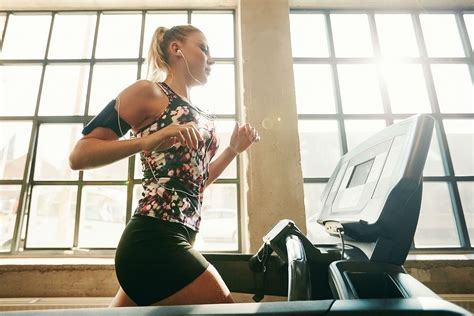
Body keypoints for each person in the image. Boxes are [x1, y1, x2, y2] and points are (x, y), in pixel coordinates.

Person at [69, 25, 260, 307]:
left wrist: (233, 149)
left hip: (180, 236)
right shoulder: (149, 92)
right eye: (204, 48)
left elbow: (197, 183)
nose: (212, 59)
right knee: (225, 311)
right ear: (176, 49)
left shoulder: (203, 115)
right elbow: (79, 155)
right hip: (153, 241)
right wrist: (147, 141)